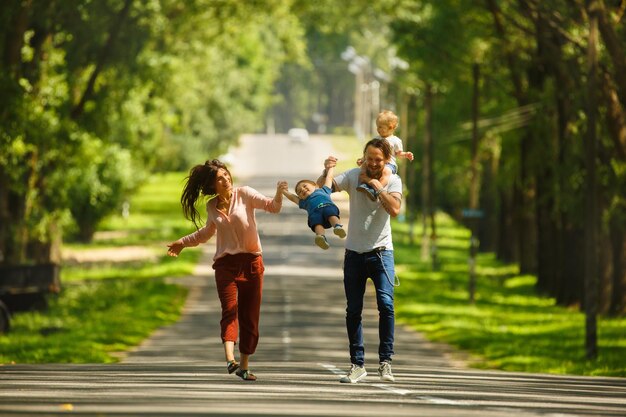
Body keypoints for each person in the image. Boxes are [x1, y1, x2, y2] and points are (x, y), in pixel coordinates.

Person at [166, 159, 288, 381]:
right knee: (229, 309)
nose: (225, 180)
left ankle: (244, 365)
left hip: (252, 263)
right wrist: (182, 242)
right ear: (212, 186)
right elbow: (205, 233)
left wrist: (279, 192)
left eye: (226, 175)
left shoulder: (245, 194)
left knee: (250, 317)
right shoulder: (212, 206)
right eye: (219, 179)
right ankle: (230, 359)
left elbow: (273, 207)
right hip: (226, 266)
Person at [319, 138, 402, 384]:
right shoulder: (353, 175)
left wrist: (376, 184)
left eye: (379, 159)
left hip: (381, 253)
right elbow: (323, 189)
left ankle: (385, 363)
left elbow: (395, 210)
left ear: (386, 160)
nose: (374, 163)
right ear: (363, 156)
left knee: (386, 306)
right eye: (370, 158)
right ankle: (357, 364)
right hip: (354, 253)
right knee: (353, 310)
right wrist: (327, 169)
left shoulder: (394, 180)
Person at [281, 164, 346, 250]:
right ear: (300, 197)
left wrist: (331, 168)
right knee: (316, 223)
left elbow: (329, 178)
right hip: (315, 213)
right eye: (299, 192)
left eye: (304, 186)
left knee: (331, 213)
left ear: (315, 185)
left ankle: (337, 227)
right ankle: (321, 237)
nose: (303, 190)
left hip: (327, 207)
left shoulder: (324, 190)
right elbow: (293, 197)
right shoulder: (304, 202)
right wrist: (283, 191)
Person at [357, 110, 413, 201]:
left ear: (390, 127)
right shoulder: (376, 139)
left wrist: (406, 154)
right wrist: (363, 159)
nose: (377, 129)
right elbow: (369, 152)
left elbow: (398, 153)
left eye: (380, 127)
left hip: (389, 164)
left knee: (386, 172)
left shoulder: (395, 140)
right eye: (377, 127)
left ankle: (376, 190)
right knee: (363, 167)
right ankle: (363, 184)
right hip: (374, 161)